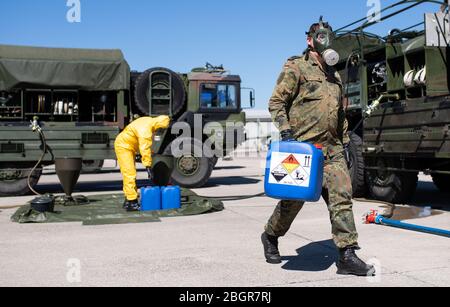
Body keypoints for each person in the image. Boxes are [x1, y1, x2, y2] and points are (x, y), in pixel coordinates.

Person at [261, 18, 375, 277]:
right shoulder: (297, 68)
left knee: (342, 198)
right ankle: (270, 235)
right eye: (320, 35)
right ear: (310, 40)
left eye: (329, 35)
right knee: (292, 202)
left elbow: (341, 115)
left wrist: (345, 143)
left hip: (332, 149)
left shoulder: (335, 75)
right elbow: (276, 102)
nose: (325, 40)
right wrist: (286, 131)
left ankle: (347, 255)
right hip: (302, 149)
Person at [114, 115, 171, 211]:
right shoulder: (146, 129)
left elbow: (142, 143)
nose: (160, 131)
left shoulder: (149, 121)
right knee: (129, 173)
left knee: (129, 173)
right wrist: (148, 166)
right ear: (158, 124)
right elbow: (144, 148)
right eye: (161, 128)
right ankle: (132, 203)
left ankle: (128, 200)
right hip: (123, 146)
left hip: (128, 145)